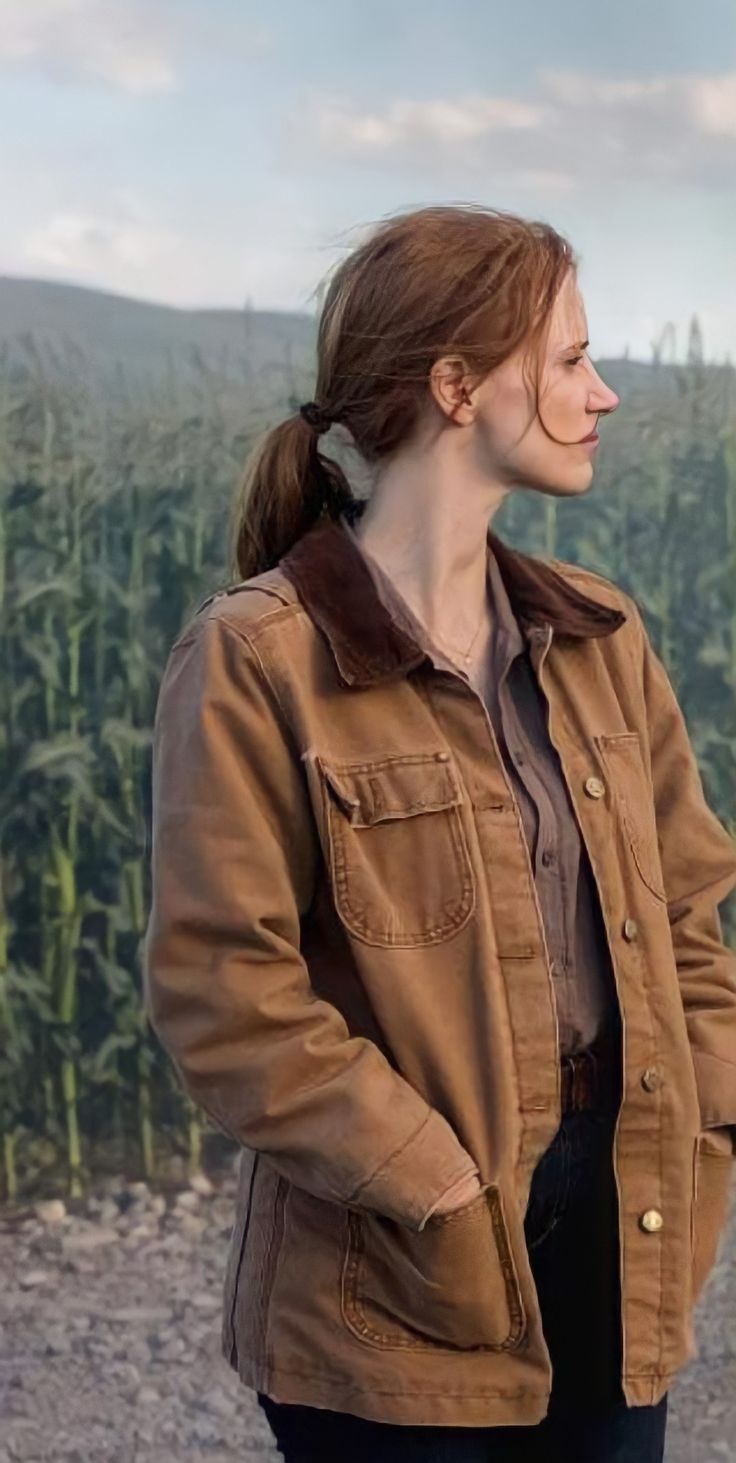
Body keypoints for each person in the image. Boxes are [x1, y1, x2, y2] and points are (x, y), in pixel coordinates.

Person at [142, 205, 736, 1463]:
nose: (603, 392)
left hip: (621, 1227)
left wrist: (710, 1113)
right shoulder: (260, 656)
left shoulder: (602, 642)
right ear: (457, 386)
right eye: (569, 360)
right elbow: (225, 992)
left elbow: (688, 914)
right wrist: (443, 1188)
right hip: (389, 1271)